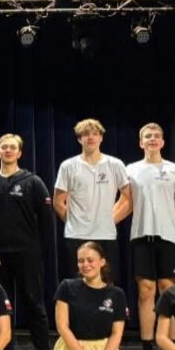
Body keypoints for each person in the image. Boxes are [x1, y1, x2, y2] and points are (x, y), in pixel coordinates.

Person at [25, 241, 147, 350]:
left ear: (102, 262)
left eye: (90, 260)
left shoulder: (116, 294)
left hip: (104, 349)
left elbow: (116, 332)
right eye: (81, 261)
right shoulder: (67, 287)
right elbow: (62, 327)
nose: (85, 265)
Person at [0, 134, 53, 350]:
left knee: (35, 306)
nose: (8, 151)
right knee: (0, 310)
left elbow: (46, 223)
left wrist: (38, 251)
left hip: (27, 254)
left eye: (12, 147)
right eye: (4, 147)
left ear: (19, 153)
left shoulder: (33, 182)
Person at [125, 123, 175, 350]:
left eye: (156, 136)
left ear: (163, 142)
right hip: (141, 235)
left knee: (169, 290)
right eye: (147, 136)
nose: (152, 139)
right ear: (141, 143)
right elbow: (125, 202)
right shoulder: (130, 170)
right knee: (146, 291)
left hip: (169, 236)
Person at [53, 118, 130, 276]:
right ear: (79, 139)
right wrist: (73, 221)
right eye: (86, 134)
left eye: (95, 134)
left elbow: (129, 197)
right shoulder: (68, 166)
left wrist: (112, 219)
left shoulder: (115, 164)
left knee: (106, 282)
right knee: (77, 283)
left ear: (101, 138)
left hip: (105, 235)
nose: (91, 137)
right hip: (76, 235)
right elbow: (58, 202)